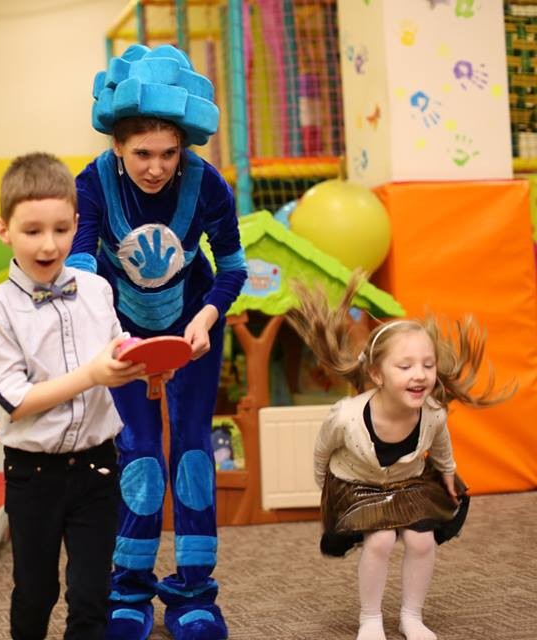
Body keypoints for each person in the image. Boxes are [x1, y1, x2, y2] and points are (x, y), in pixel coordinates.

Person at [68, 44, 247, 640]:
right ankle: (128, 590)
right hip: (119, 334)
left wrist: (207, 318)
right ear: (118, 145)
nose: (156, 167)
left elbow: (233, 267)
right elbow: (79, 265)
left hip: (192, 331)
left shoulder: (208, 182)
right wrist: (111, 336)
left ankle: (194, 591)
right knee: (139, 456)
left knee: (192, 454)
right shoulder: (91, 183)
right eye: (142, 153)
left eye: (169, 153)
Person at [286, 275, 513, 640]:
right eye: (405, 367)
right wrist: (324, 489)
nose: (420, 375)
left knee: (422, 541)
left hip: (408, 481)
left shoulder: (433, 412)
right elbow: (322, 451)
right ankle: (370, 619)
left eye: (427, 365)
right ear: (376, 374)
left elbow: (441, 446)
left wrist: (448, 473)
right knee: (380, 541)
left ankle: (412, 616)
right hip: (357, 484)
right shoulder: (346, 417)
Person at [0, 152, 147, 640]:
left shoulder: (96, 289)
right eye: (32, 231)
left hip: (98, 466)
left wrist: (147, 366)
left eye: (60, 228)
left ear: (76, 223)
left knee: (92, 592)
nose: (48, 244)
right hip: (34, 474)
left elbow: (117, 352)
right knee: (36, 590)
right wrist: (92, 374)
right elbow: (16, 401)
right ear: (4, 230)